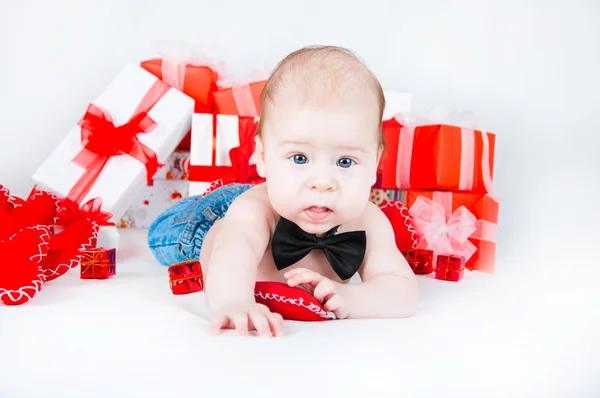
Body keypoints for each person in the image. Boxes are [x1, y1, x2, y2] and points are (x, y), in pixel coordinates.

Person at [148, 45, 418, 337]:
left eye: (345, 161)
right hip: (211, 219)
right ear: (262, 157)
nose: (323, 182)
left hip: (282, 193)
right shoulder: (252, 212)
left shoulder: (369, 220)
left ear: (375, 163)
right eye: (300, 158)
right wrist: (234, 301)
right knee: (161, 235)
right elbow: (231, 255)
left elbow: (401, 290)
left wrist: (350, 297)